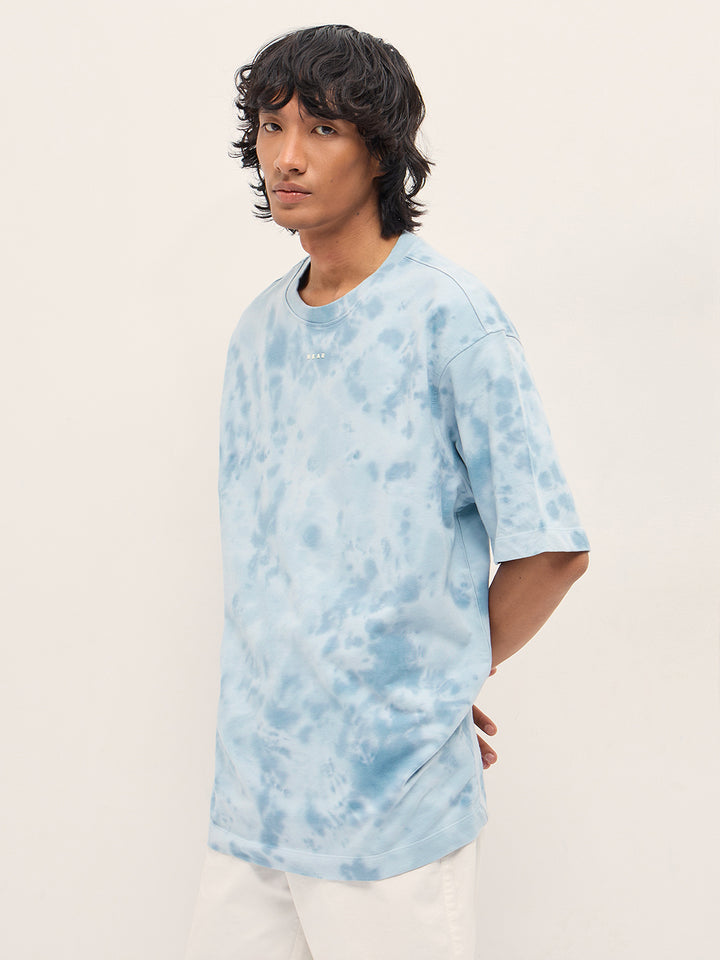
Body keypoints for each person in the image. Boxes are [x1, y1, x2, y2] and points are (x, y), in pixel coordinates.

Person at [184, 23, 590, 960]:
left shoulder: (451, 319)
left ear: (381, 151)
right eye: (271, 125)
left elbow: (551, 548)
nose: (286, 156)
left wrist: (431, 688)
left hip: (388, 811)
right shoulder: (257, 333)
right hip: (254, 800)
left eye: (321, 128)